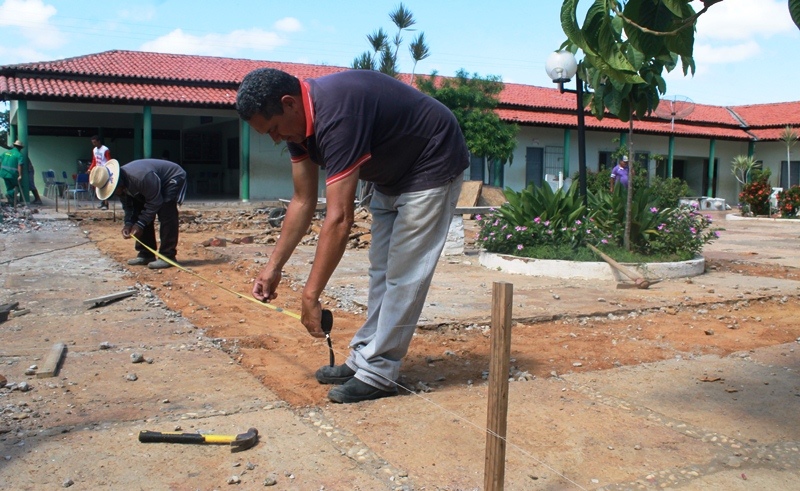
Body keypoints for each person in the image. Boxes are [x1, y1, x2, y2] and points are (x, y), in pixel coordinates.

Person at [236, 68, 468, 404]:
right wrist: (273, 267)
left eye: (273, 129)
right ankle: (364, 359)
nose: (275, 139)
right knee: (381, 271)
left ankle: (378, 373)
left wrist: (310, 296)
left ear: (289, 104)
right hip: (391, 174)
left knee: (404, 274)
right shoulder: (298, 128)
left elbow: (340, 218)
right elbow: (303, 201)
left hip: (431, 160)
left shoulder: (338, 115)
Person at [89, 159, 187, 269]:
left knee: (166, 212)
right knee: (140, 210)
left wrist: (139, 225)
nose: (115, 194)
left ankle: (167, 256)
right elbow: (129, 207)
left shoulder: (141, 178)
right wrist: (129, 223)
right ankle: (146, 255)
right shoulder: (122, 187)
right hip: (152, 184)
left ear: (118, 183)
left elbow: (155, 202)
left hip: (172, 178)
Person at [89, 135, 112, 209]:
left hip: (104, 170)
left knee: (105, 186)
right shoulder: (94, 150)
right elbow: (94, 160)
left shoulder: (105, 149)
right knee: (99, 186)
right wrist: (90, 169)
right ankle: (102, 202)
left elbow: (109, 160)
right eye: (93, 142)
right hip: (98, 170)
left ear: (99, 141)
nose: (94, 144)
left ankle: (106, 204)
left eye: (95, 142)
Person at [0, 140, 24, 204]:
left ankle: (11, 202)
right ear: (20, 148)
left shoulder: (6, 152)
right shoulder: (19, 155)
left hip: (3, 173)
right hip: (12, 174)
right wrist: (20, 175)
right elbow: (20, 165)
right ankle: (10, 195)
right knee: (19, 187)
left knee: (9, 187)